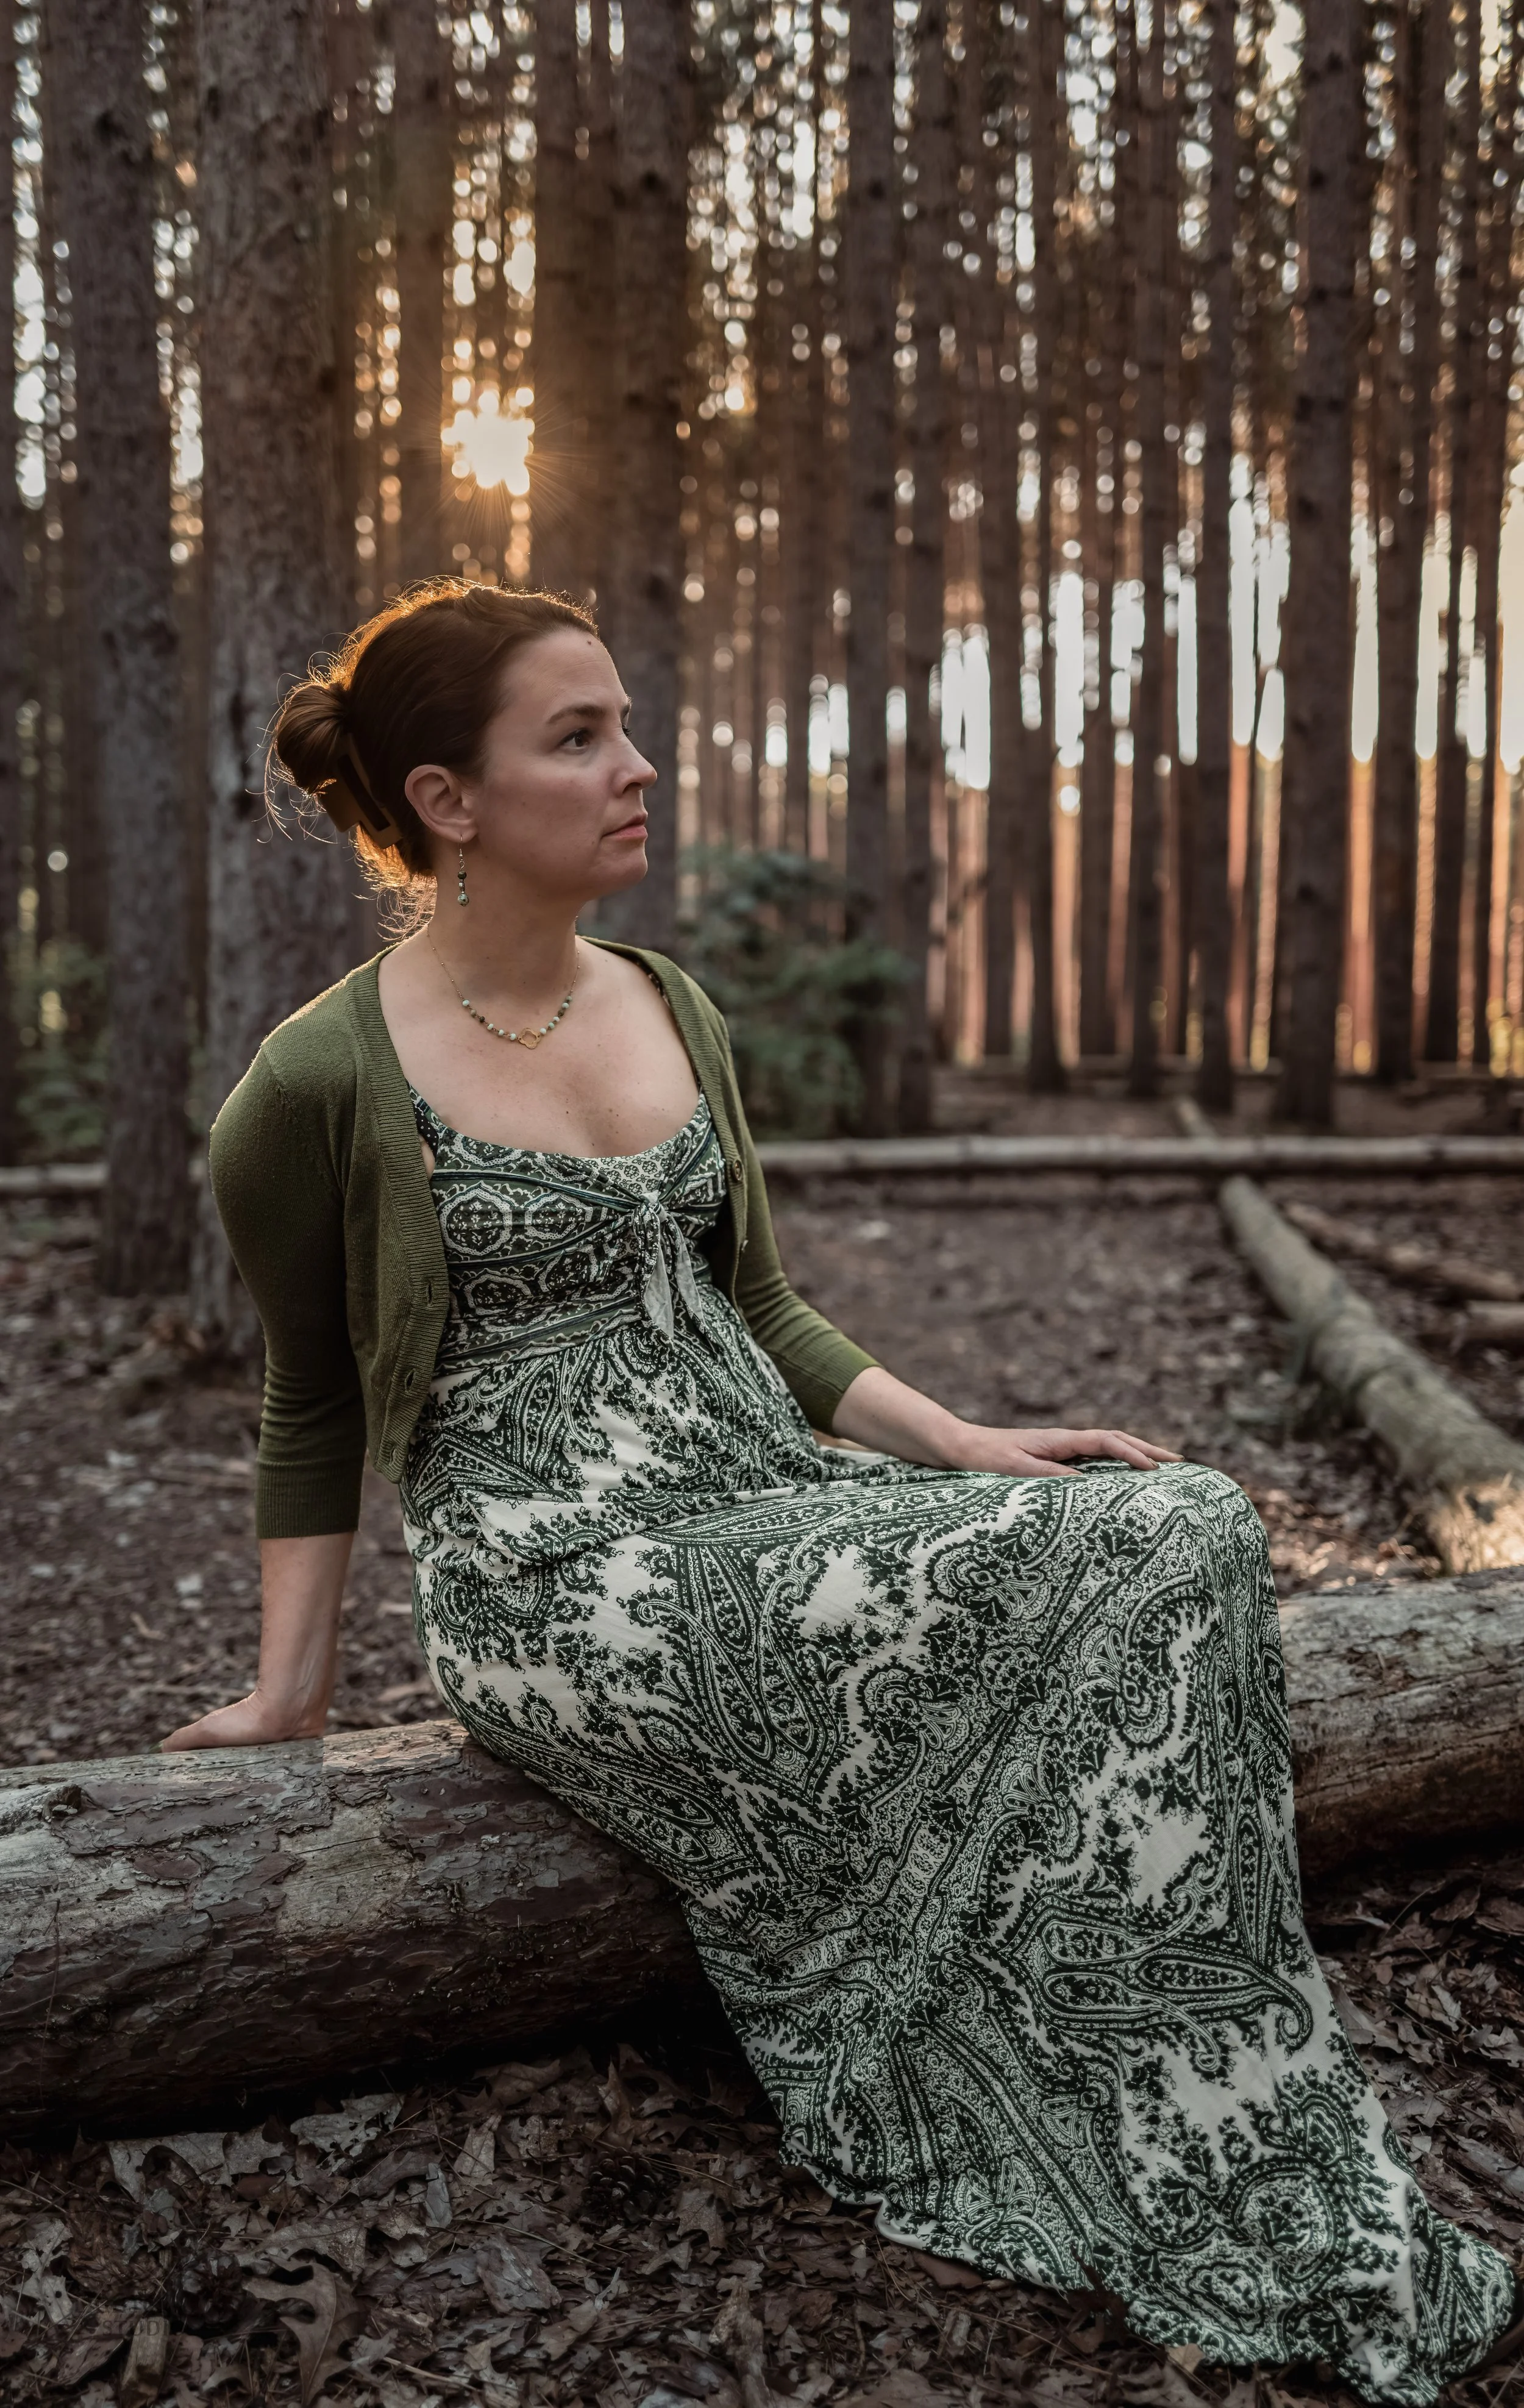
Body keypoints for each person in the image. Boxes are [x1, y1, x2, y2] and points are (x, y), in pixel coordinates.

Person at [168, 579, 1519, 2403]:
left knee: (1175, 1519)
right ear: (445, 799)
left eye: (628, 723)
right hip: (563, 1579)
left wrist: (962, 1444)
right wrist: (290, 1690)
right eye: (580, 737)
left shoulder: (670, 1002)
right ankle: (1057, 2104)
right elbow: (311, 1400)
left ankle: (1190, 2105)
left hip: (762, 1494)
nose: (639, 767)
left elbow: (762, 1305)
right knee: (1124, 1559)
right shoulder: (312, 1084)